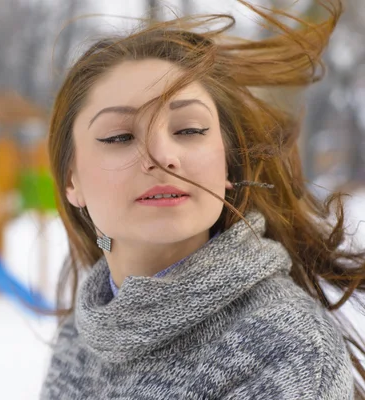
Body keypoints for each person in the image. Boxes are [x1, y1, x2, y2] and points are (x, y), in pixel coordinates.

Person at [39, 0, 365, 399]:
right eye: (120, 137)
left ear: (228, 165)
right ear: (72, 181)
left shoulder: (286, 347)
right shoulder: (80, 333)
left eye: (189, 130)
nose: (162, 156)